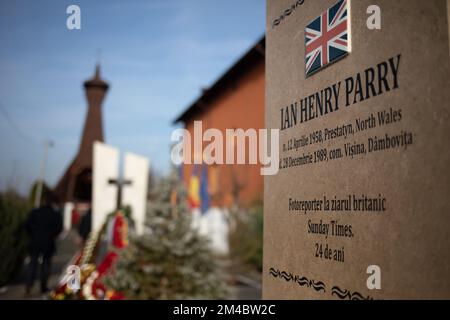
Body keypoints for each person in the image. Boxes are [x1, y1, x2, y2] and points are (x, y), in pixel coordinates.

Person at [24, 193, 63, 295]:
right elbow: (59, 228)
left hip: (35, 241)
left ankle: (28, 285)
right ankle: (43, 286)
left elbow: (27, 225)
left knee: (32, 264)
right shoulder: (55, 214)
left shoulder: (35, 212)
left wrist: (33, 235)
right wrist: (51, 235)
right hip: (48, 242)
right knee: (46, 264)